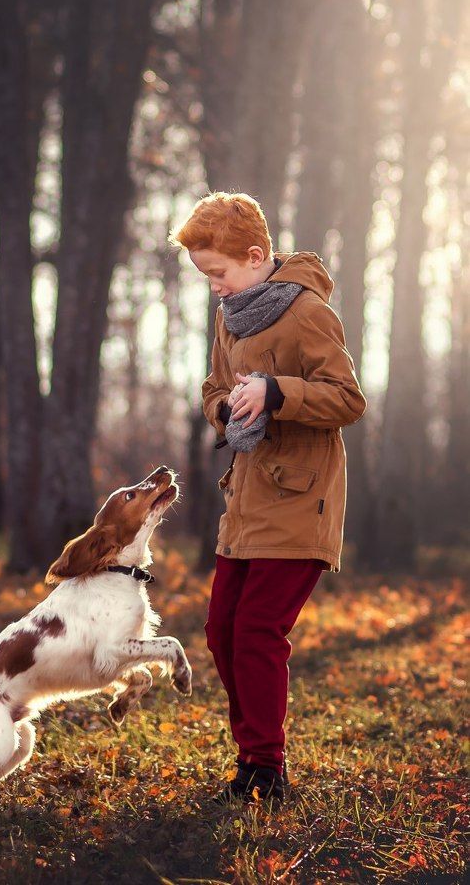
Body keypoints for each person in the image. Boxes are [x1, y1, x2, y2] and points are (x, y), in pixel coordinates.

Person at [171, 191, 366, 807]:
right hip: (247, 497)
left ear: (256, 257)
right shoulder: (230, 315)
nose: (214, 288)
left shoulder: (307, 313)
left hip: (300, 499)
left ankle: (264, 768)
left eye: (219, 273)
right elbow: (212, 389)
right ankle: (254, 753)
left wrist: (279, 392)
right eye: (205, 277)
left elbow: (347, 399)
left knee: (257, 630)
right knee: (221, 630)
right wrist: (227, 406)